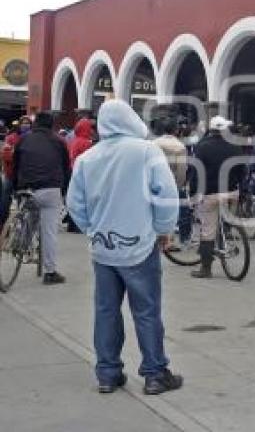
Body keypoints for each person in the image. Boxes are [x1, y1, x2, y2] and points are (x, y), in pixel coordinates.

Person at [66, 100, 183, 395]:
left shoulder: (88, 158)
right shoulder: (146, 152)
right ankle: (155, 373)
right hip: (140, 245)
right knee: (146, 311)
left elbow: (74, 204)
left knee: (106, 310)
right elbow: (166, 194)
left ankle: (107, 373)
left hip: (103, 247)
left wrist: (92, 229)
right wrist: (163, 230)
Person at [12, 112, 71, 285]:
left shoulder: (23, 140)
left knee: (29, 214)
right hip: (50, 189)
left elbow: (16, 165)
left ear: (34, 124)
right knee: (49, 232)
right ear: (52, 125)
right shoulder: (59, 142)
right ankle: (50, 272)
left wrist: (17, 187)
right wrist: (64, 191)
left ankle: (21, 243)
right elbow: (66, 168)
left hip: (27, 188)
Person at [190, 115, 244, 279]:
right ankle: (227, 231)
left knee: (207, 231)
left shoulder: (202, 147)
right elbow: (242, 170)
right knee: (225, 219)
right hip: (231, 192)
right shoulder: (235, 146)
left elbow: (196, 173)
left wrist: (194, 193)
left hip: (211, 194)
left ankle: (206, 268)